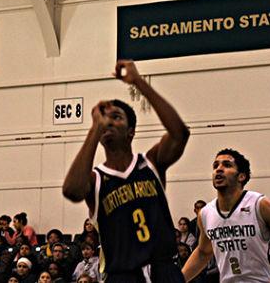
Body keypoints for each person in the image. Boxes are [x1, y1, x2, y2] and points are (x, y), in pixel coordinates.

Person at [62, 59, 190, 283]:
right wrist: (94, 129)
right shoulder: (96, 179)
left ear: (131, 132)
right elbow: (72, 191)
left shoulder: (151, 163)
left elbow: (180, 133)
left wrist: (138, 82)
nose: (108, 122)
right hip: (123, 276)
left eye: (116, 117)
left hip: (165, 270)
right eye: (104, 119)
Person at [182, 149, 270, 283]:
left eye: (227, 165)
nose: (219, 169)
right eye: (215, 166)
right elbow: (203, 252)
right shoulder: (206, 213)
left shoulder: (260, 205)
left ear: (241, 176)